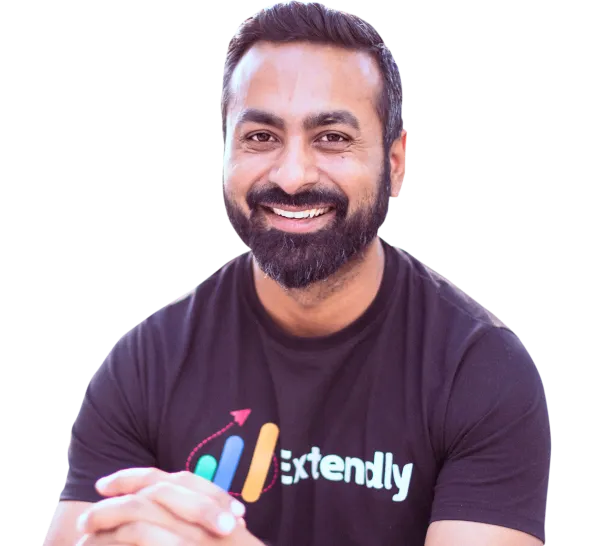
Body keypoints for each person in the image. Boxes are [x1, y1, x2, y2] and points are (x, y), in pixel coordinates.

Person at [44, 2, 550, 545]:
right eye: (261, 137)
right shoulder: (147, 363)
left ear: (395, 162)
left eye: (332, 137)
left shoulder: (480, 372)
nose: (291, 177)